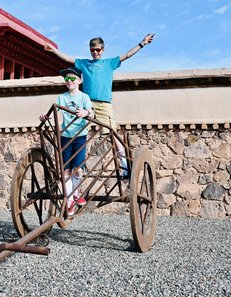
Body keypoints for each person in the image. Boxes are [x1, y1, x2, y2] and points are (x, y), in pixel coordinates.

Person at [45, 33, 155, 178]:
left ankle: (124, 166)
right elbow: (68, 58)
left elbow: (127, 55)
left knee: (113, 133)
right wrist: (54, 50)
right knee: (79, 133)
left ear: (103, 50)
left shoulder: (109, 63)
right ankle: (77, 168)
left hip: (104, 104)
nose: (95, 52)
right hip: (86, 104)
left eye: (98, 50)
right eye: (92, 50)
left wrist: (142, 43)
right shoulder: (84, 63)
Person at [39, 66, 94, 216]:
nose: (69, 81)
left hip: (80, 135)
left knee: (78, 169)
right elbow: (53, 111)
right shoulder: (62, 98)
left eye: (72, 78)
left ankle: (75, 193)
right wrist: (45, 115)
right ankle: (70, 199)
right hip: (66, 136)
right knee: (66, 170)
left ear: (79, 80)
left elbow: (92, 113)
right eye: (66, 79)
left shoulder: (84, 97)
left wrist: (86, 112)